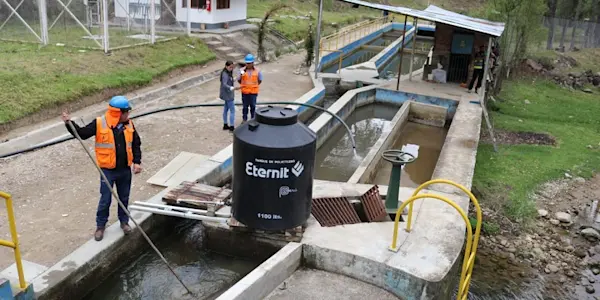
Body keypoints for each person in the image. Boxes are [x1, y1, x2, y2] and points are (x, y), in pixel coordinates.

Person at [61, 96, 142, 241]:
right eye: (127, 112)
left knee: (124, 197)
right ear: (118, 113)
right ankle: (100, 226)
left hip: (124, 170)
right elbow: (82, 134)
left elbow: (136, 143)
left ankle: (124, 222)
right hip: (108, 171)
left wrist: (137, 162)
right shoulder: (99, 123)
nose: (129, 115)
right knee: (105, 199)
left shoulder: (129, 125)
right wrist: (69, 123)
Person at [238, 54, 263, 122]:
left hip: (253, 92)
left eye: (249, 63)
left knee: (253, 106)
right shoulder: (242, 70)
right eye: (247, 63)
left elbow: (260, 80)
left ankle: (253, 119)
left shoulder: (257, 71)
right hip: (245, 92)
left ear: (252, 63)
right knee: (245, 107)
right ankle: (244, 119)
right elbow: (239, 79)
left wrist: (253, 85)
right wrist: (244, 85)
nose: (248, 64)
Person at [220, 60, 240, 131]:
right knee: (232, 110)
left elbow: (230, 80)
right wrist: (233, 88)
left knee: (226, 109)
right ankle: (232, 127)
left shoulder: (227, 72)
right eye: (230, 67)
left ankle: (225, 125)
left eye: (232, 67)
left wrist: (236, 78)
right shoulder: (225, 74)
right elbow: (224, 84)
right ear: (226, 66)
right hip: (228, 94)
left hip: (226, 94)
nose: (231, 69)